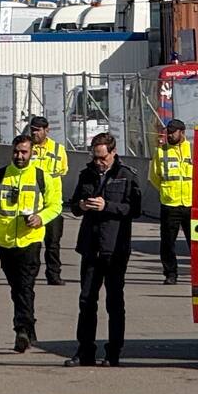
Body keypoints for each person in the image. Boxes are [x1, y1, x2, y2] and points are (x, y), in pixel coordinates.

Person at [0, 133, 61, 353]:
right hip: (4, 242)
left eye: (24, 152)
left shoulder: (42, 176)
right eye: (16, 152)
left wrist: (41, 218)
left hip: (29, 241)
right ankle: (29, 328)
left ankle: (21, 330)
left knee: (24, 286)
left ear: (32, 153)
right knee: (17, 289)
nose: (19, 156)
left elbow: (55, 205)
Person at [65, 132, 141, 368]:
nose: (99, 162)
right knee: (86, 300)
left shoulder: (126, 175)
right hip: (90, 245)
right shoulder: (86, 174)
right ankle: (85, 349)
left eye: (102, 157)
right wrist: (80, 205)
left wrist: (107, 205)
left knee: (114, 302)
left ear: (113, 153)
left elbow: (134, 209)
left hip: (115, 247)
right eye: (95, 157)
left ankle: (114, 351)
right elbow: (74, 205)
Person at [148, 118, 193, 284]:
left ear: (182, 132)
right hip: (170, 203)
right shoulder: (161, 151)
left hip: (190, 203)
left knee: (195, 243)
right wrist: (166, 191)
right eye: (168, 131)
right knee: (167, 243)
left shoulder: (192, 150)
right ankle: (170, 274)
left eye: (173, 132)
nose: (170, 135)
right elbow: (154, 177)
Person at [28, 115, 69, 285]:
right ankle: (30, 274)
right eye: (32, 130)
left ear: (46, 130)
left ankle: (53, 274)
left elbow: (63, 170)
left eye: (37, 130)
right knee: (32, 243)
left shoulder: (58, 149)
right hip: (32, 204)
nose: (34, 133)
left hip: (52, 204)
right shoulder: (27, 148)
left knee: (53, 243)